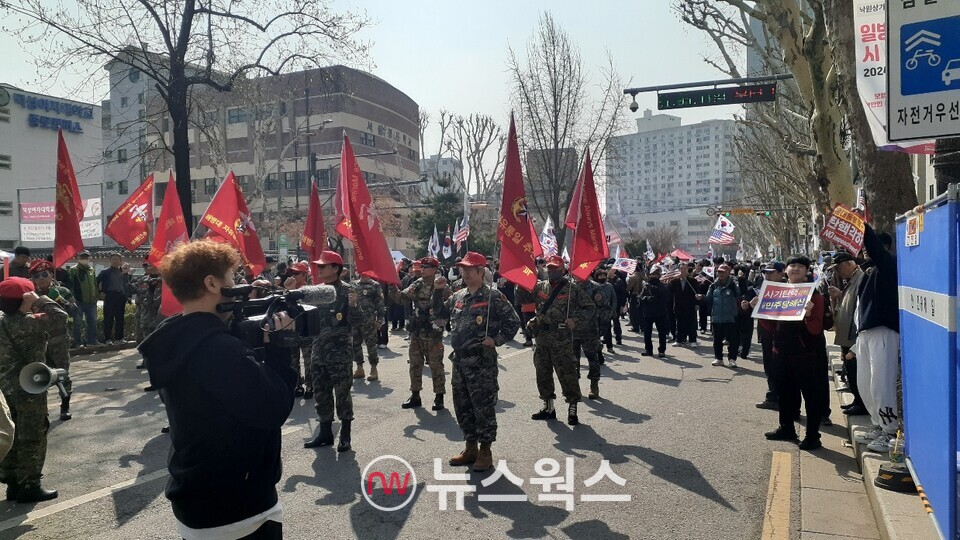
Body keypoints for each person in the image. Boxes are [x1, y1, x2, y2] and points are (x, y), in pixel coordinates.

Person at [138, 240, 297, 539]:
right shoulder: (219, 350)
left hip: (196, 496)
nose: (237, 286)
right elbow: (273, 407)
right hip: (238, 508)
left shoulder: (173, 336)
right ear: (212, 283)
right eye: (232, 279)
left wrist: (242, 312)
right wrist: (281, 350)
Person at [432, 252, 521, 472]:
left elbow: (513, 321)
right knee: (463, 406)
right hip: (460, 361)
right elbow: (439, 313)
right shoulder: (458, 296)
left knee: (483, 407)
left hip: (481, 362)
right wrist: (437, 290)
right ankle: (470, 447)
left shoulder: (493, 297)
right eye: (462, 269)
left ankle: (485, 451)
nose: (464, 273)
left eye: (469, 269)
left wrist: (496, 340)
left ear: (481, 272)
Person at [0, 276, 67, 502]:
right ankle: (29, 485)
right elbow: (60, 317)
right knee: (32, 436)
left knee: (8, 432)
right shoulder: (32, 323)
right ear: (25, 298)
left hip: (3, 390)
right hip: (29, 389)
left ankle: (12, 483)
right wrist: (39, 299)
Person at [762, 255, 826, 450]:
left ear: (807, 271)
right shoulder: (777, 292)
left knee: (811, 396)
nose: (795, 268)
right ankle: (786, 428)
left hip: (805, 354)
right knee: (784, 393)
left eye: (800, 266)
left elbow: (816, 329)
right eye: (792, 265)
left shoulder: (814, 295)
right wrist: (760, 310)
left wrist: (809, 314)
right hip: (781, 352)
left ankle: (813, 436)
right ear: (786, 270)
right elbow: (770, 326)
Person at [527, 256, 595, 425]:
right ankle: (548, 407)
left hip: (561, 339)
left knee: (567, 374)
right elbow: (524, 298)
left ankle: (572, 408)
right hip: (542, 338)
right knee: (542, 374)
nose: (552, 272)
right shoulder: (540, 286)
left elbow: (590, 308)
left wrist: (575, 320)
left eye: (556, 269)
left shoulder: (572, 289)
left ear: (563, 269)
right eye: (550, 268)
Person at [303, 251, 360, 452]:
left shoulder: (347, 291)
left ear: (336, 268)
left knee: (342, 395)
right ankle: (325, 433)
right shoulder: (316, 291)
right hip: (318, 351)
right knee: (321, 394)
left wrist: (354, 306)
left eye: (323, 266)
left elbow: (358, 321)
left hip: (339, 353)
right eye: (318, 266)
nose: (318, 269)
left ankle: (345, 435)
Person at [852, 226, 900, 452]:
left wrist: (862, 226)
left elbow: (877, 251)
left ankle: (890, 431)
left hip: (884, 331)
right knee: (865, 385)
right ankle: (878, 424)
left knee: (881, 385)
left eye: (867, 247)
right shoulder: (867, 272)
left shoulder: (891, 265)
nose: (865, 251)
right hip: (865, 333)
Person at [388, 256, 448, 412]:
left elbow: (447, 308)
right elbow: (401, 298)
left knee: (436, 365)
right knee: (415, 364)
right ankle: (415, 395)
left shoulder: (442, 285)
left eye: (426, 267)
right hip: (417, 332)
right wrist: (392, 284)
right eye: (422, 266)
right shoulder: (417, 284)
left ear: (434, 269)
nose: (422, 269)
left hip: (433, 333)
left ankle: (439, 396)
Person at [29, 260, 76, 420]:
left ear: (51, 275)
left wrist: (61, 300)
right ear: (33, 279)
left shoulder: (62, 291)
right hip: (38, 341)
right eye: (37, 276)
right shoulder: (30, 294)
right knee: (39, 376)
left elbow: (74, 311)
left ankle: (65, 405)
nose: (41, 278)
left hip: (59, 340)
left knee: (62, 373)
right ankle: (42, 410)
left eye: (44, 274)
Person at [828, 252, 867, 416]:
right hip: (846, 336)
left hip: (853, 337)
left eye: (838, 268)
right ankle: (857, 400)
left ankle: (861, 403)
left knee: (856, 371)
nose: (838, 272)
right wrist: (840, 295)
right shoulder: (852, 279)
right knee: (851, 371)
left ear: (848, 263)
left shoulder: (861, 279)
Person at [755, 261, 785, 410]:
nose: (767, 275)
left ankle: (782, 399)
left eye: (771, 272)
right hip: (766, 333)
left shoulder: (787, 290)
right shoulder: (765, 288)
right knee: (769, 366)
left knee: (779, 368)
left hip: (780, 335)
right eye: (765, 272)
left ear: (781, 273)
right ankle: (772, 396)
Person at [700, 264, 740, 367]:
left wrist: (735, 286)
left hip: (730, 317)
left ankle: (732, 359)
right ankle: (719, 358)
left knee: (732, 340)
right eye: (719, 272)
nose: (720, 274)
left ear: (728, 273)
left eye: (722, 272)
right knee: (717, 340)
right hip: (717, 317)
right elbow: (709, 298)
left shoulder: (733, 284)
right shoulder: (713, 285)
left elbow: (739, 295)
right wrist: (702, 297)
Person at [352, 274, 384, 382]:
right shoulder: (354, 285)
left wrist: (379, 320)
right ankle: (359, 367)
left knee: (371, 344)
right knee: (355, 344)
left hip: (369, 321)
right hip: (355, 320)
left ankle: (373, 368)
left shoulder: (375, 285)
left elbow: (380, 304)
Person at [68, 251, 99, 347]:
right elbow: (70, 285)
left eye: (86, 257)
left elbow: (95, 284)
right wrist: (72, 298)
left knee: (92, 322)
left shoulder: (91, 270)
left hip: (91, 301)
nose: (84, 259)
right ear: (78, 258)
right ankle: (78, 342)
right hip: (78, 301)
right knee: (77, 323)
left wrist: (96, 296)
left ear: (89, 259)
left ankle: (92, 341)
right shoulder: (73, 270)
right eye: (82, 257)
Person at [639, 266, 672, 358]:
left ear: (659, 275)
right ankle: (648, 350)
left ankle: (662, 350)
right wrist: (646, 298)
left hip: (660, 313)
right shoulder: (646, 285)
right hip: (648, 313)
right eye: (652, 274)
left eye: (655, 274)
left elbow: (662, 296)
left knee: (662, 333)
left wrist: (652, 289)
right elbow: (640, 296)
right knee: (647, 332)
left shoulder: (663, 285)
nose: (653, 276)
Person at [97, 253, 127, 344]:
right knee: (108, 318)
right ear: (110, 261)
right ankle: (108, 339)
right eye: (113, 259)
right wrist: (100, 293)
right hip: (109, 296)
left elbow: (128, 284)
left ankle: (119, 338)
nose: (115, 261)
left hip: (120, 296)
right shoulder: (105, 272)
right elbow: (96, 282)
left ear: (120, 261)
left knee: (120, 318)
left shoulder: (123, 272)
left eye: (117, 259)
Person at [670, 262, 699, 346]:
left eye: (684, 269)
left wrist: (697, 304)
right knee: (679, 323)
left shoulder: (693, 280)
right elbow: (670, 291)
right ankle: (679, 340)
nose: (683, 271)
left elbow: (697, 293)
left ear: (687, 269)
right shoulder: (675, 280)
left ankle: (692, 340)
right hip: (679, 305)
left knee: (691, 323)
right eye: (681, 269)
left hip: (690, 305)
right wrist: (671, 281)